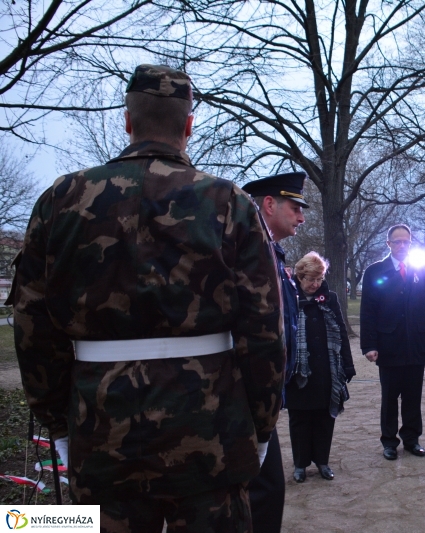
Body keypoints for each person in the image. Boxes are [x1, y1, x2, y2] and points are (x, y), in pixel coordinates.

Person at [11, 64, 285, 531]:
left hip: (101, 428)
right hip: (209, 435)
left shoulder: (61, 199)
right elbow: (263, 329)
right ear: (188, 125)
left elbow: (33, 327)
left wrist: (59, 423)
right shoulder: (228, 202)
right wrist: (260, 425)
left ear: (127, 120)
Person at [241, 171, 308, 533]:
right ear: (269, 204)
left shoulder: (270, 252)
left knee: (266, 492)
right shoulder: (249, 252)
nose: (302, 218)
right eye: (296, 208)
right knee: (264, 492)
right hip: (246, 398)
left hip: (261, 397)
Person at [360, 224, 425, 460]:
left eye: (406, 241)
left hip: (416, 342)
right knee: (389, 398)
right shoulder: (375, 271)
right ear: (388, 244)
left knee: (413, 397)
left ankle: (412, 439)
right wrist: (369, 345)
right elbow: (368, 312)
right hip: (388, 344)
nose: (402, 245)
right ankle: (389, 441)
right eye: (397, 241)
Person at [285, 252, 355, 482]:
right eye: (310, 279)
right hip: (298, 371)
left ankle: (322, 461)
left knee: (325, 417)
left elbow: (341, 332)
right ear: (300, 277)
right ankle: (300, 465)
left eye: (319, 279)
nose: (315, 284)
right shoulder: (289, 297)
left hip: (327, 369)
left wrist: (348, 365)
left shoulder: (330, 298)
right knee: (299, 419)